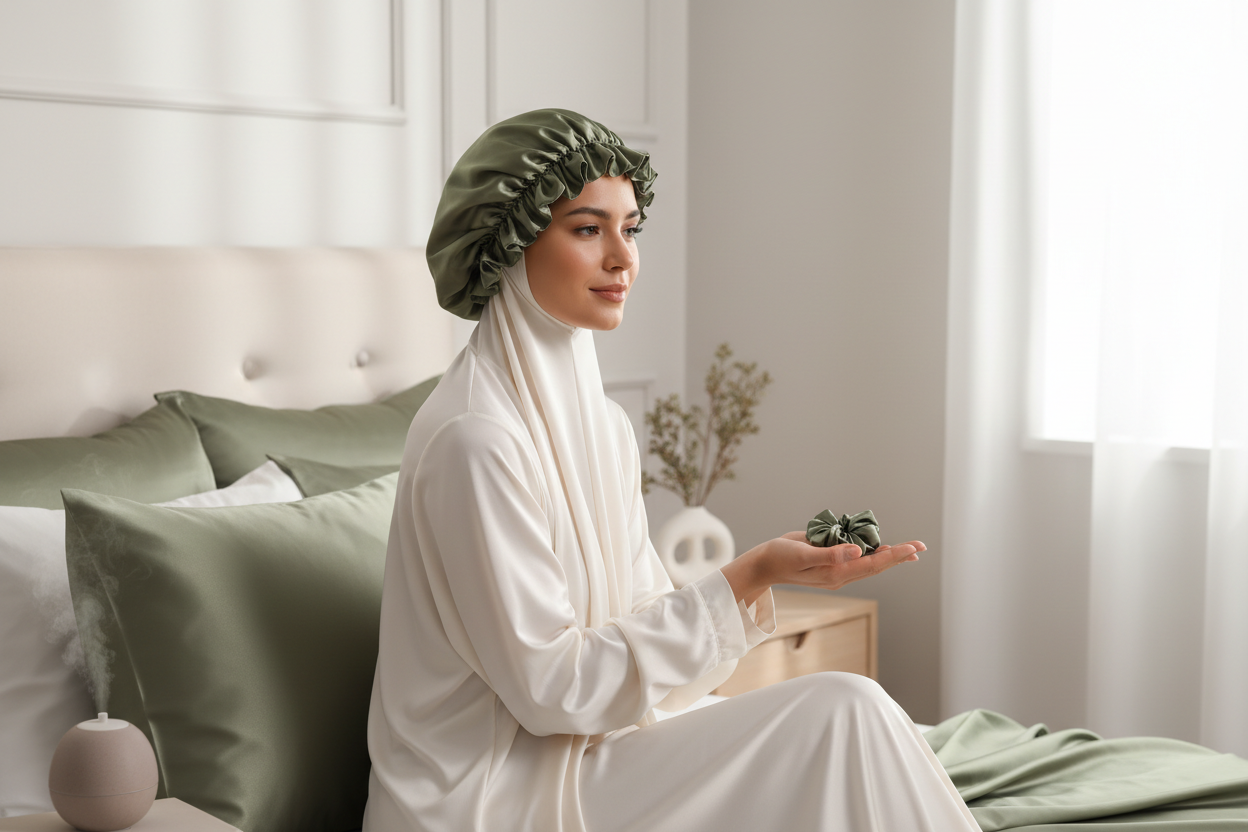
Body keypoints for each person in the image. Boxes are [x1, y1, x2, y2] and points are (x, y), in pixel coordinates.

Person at [362, 108, 980, 832]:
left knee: (850, 718)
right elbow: (553, 690)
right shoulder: (474, 441)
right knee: (847, 710)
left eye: (630, 229)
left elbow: (646, 637)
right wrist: (748, 573)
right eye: (587, 229)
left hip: (593, 750)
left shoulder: (603, 427)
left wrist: (764, 577)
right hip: (493, 795)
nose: (622, 259)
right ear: (509, 241)